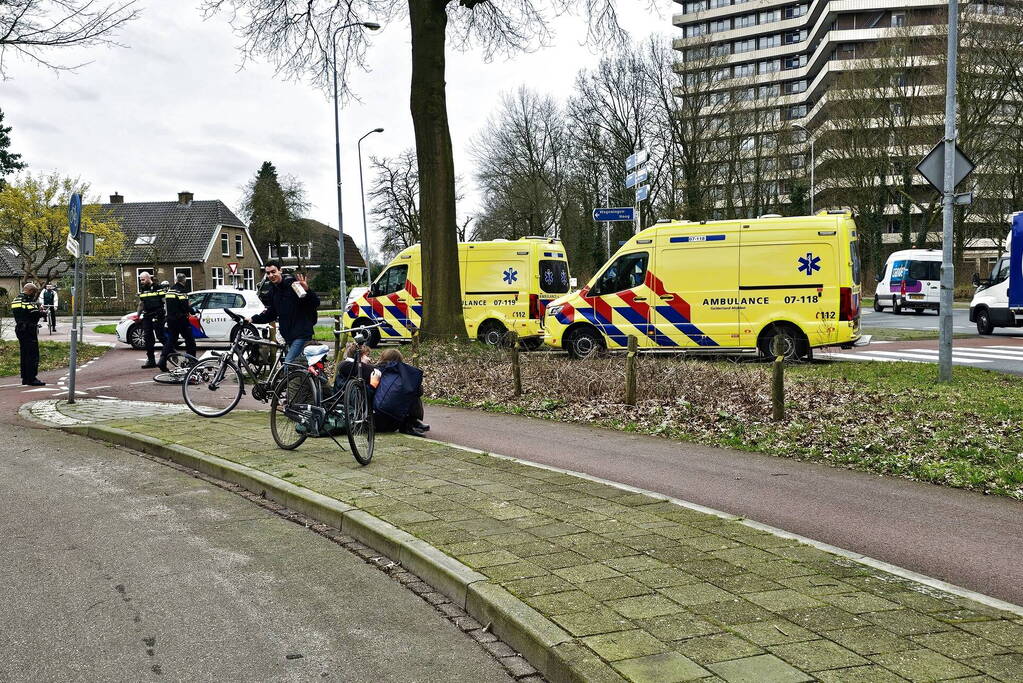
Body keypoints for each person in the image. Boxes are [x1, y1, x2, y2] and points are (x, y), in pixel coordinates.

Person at [247, 261, 320, 365]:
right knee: (298, 367)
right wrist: (253, 319)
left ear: (280, 270)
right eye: (268, 273)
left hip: (301, 334)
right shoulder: (273, 291)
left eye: (273, 271)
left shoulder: (293, 285)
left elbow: (315, 303)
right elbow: (271, 313)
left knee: (288, 365)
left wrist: (307, 290)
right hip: (288, 336)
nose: (271, 275)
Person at [372, 348, 429, 436]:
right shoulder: (403, 374)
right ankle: (409, 424)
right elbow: (420, 391)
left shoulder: (375, 370)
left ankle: (412, 422)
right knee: (412, 390)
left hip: (375, 420)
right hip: (394, 422)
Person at [158, 273, 197, 371]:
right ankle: (192, 363)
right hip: (181, 319)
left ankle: (162, 360)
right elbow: (185, 306)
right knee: (190, 341)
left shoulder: (170, 291)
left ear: (176, 280)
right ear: (184, 280)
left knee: (171, 340)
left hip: (171, 319)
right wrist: (193, 310)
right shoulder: (182, 291)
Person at [11, 282, 45, 386]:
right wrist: (42, 312)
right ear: (30, 291)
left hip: (20, 329)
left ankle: (25, 378)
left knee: (24, 354)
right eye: (34, 293)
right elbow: (34, 314)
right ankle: (32, 378)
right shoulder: (28, 301)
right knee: (32, 354)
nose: (34, 295)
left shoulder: (16, 300)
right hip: (29, 329)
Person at [136, 272, 166, 369]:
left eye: (143, 279)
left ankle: (172, 354)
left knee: (161, 336)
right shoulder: (143, 289)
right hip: (147, 315)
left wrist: (167, 314)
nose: (141, 281)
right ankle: (151, 360)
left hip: (158, 314)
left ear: (149, 278)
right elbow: (141, 304)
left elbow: (165, 301)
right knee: (148, 338)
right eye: (140, 280)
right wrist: (138, 315)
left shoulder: (158, 287)